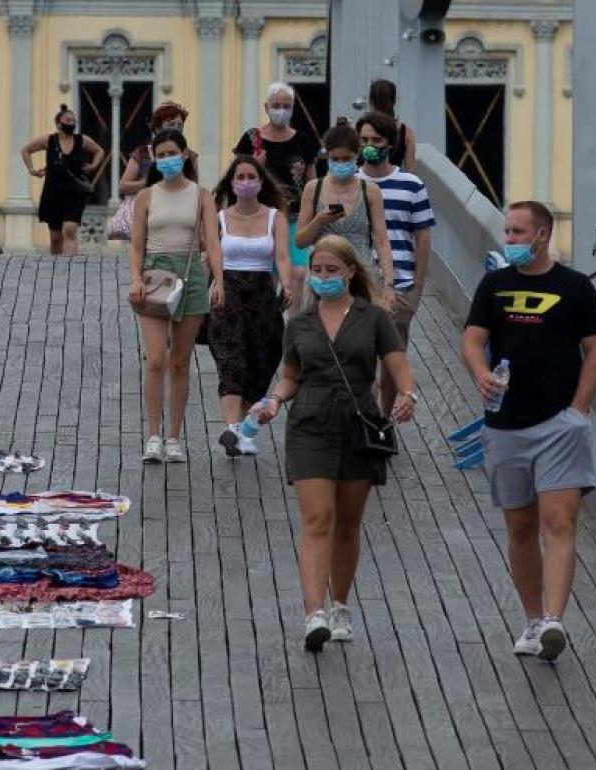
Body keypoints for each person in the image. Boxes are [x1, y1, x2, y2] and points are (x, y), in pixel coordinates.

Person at [461, 201, 596, 662]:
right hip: (505, 423)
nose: (511, 241)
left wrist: (579, 410)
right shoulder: (495, 283)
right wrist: (480, 372)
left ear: (542, 234)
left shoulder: (575, 287)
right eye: (508, 232)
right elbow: (472, 337)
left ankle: (554, 620)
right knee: (521, 526)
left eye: (519, 233)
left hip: (559, 424)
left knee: (560, 521)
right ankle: (530, 618)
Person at [257, 236, 417, 652]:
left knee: (347, 523)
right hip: (309, 423)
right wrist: (275, 399)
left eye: (332, 270)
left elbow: (397, 365)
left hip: (357, 420)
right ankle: (315, 612)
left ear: (350, 272)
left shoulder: (373, 318)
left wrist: (406, 395)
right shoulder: (301, 323)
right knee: (317, 519)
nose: (324, 277)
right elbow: (291, 375)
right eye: (318, 270)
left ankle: (340, 604)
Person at [128, 129, 225, 463]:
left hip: (190, 276)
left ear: (185, 154)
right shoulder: (146, 196)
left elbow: (212, 242)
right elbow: (136, 244)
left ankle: (174, 437)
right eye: (161, 153)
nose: (167, 159)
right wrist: (135, 278)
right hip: (155, 274)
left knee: (180, 362)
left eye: (173, 152)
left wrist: (219, 281)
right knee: (155, 358)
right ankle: (153, 434)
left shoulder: (202, 195)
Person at [208, 156, 293, 456]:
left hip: (262, 295)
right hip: (229, 292)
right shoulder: (219, 217)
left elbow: (282, 256)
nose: (245, 182)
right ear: (231, 182)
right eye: (240, 176)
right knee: (232, 359)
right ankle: (230, 428)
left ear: (260, 181)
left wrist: (288, 283)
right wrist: (217, 283)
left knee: (262, 359)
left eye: (250, 176)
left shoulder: (274, 217)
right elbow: (215, 254)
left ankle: (245, 428)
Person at [356, 111, 436, 414]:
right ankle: (365, 414)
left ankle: (384, 418)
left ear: (390, 143)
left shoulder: (411, 184)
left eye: (376, 140)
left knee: (391, 356)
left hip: (400, 284)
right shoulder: (349, 182)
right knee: (359, 353)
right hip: (359, 283)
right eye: (363, 140)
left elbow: (423, 239)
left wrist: (416, 288)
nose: (369, 146)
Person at [233, 82, 321, 305]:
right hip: (261, 215)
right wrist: (256, 164)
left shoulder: (303, 140)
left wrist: (315, 211)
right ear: (266, 107)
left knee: (299, 272)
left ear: (292, 109)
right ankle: (268, 322)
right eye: (276, 105)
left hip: (294, 216)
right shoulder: (252, 139)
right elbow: (237, 176)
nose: (280, 110)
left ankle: (293, 327)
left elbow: (312, 181)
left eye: (286, 106)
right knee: (267, 272)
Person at [296, 120, 396, 311]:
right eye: (335, 159)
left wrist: (389, 284)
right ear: (328, 157)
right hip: (323, 279)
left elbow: (382, 242)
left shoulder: (370, 191)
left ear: (356, 156)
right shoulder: (313, 189)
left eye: (346, 158)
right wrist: (319, 221)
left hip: (360, 278)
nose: (341, 163)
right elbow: (300, 241)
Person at [21, 105, 105, 256]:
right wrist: (32, 169)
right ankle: (56, 268)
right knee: (55, 238)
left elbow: (99, 151)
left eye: (73, 120)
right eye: (68, 120)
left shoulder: (82, 140)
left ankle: (70, 266)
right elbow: (26, 150)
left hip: (75, 192)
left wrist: (93, 166)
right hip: (53, 193)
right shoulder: (49, 140)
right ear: (58, 123)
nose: (71, 123)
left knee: (70, 230)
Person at [119, 102, 196, 198]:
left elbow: (193, 187)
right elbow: (123, 186)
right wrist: (151, 182)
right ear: (157, 128)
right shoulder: (143, 152)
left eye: (180, 125)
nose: (176, 129)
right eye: (171, 124)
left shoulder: (188, 155)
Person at [367, 79, 417, 172]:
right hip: (394, 184)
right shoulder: (406, 133)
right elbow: (411, 170)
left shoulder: (360, 130)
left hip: (366, 183)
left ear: (371, 101)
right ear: (394, 101)